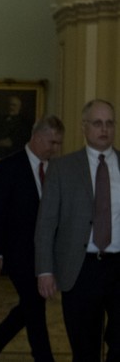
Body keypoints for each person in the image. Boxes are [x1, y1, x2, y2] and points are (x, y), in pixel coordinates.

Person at [35, 99, 120, 361]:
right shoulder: (63, 168)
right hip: (80, 269)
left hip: (119, 267)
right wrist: (45, 270)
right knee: (85, 349)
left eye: (109, 123)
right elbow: (47, 222)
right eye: (97, 123)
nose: (104, 129)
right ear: (84, 127)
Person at [0, 116, 64, 362]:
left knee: (30, 305)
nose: (56, 148)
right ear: (37, 138)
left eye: (59, 143)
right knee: (35, 308)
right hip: (18, 253)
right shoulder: (9, 166)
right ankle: (44, 357)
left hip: (46, 254)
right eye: (52, 142)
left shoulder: (57, 169)